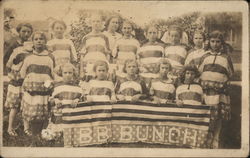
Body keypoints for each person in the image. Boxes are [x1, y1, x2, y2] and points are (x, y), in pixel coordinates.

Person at [198, 30, 234, 148]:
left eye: (218, 42)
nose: (215, 44)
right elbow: (199, 72)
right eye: (212, 41)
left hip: (219, 93)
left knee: (218, 116)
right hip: (207, 93)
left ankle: (216, 140)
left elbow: (230, 73)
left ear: (222, 43)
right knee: (208, 116)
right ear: (209, 42)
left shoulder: (225, 58)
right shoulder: (205, 56)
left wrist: (221, 83)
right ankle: (207, 139)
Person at [19, 32, 55, 136]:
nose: (39, 41)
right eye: (36, 39)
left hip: (43, 89)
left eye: (41, 39)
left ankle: (42, 129)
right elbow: (23, 73)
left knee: (42, 107)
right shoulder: (28, 57)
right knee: (28, 107)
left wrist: (50, 83)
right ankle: (26, 128)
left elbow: (53, 73)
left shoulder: (49, 57)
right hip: (31, 88)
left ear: (45, 42)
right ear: (33, 42)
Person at [5, 41, 33, 136]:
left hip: (26, 84)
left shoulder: (32, 55)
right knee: (14, 107)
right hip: (16, 84)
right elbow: (9, 65)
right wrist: (11, 75)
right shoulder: (17, 52)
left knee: (26, 105)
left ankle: (26, 128)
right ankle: (10, 128)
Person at [49, 63, 82, 135]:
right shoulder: (57, 86)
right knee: (59, 131)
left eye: (70, 73)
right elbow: (51, 100)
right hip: (60, 113)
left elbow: (81, 98)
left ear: (73, 74)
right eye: (65, 73)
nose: (67, 75)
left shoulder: (77, 87)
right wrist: (55, 100)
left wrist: (77, 100)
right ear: (61, 73)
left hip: (72, 114)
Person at [79, 13, 110, 79]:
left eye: (98, 21)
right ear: (90, 23)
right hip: (89, 64)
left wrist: (108, 68)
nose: (96, 23)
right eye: (93, 21)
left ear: (101, 23)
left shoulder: (105, 37)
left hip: (101, 65)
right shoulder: (86, 37)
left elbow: (108, 54)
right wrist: (81, 70)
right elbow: (82, 55)